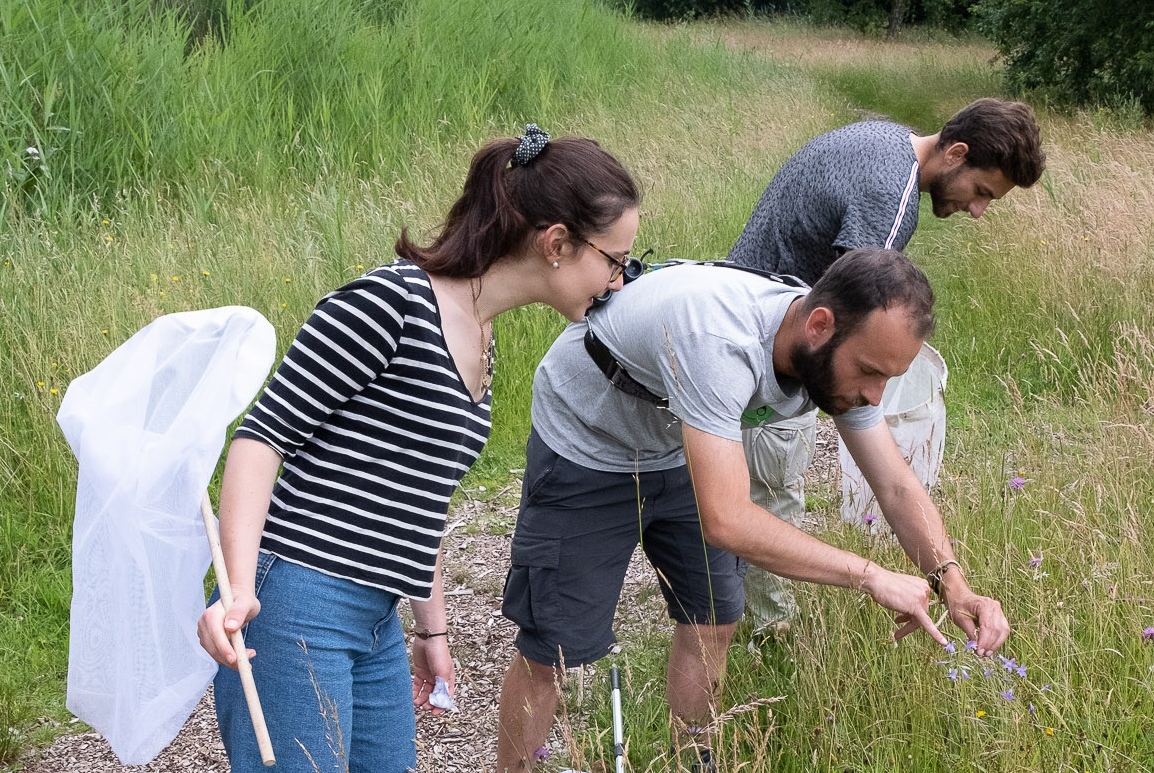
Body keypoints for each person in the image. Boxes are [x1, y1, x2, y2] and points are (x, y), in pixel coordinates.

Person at [196, 124, 641, 772]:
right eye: (614, 259)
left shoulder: (483, 337)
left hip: (374, 617)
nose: (620, 281)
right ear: (556, 243)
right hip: (296, 598)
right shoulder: (392, 303)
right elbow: (261, 435)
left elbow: (415, 492)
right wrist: (236, 590)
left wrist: (429, 625)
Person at [494, 248, 1009, 773]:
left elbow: (896, 486)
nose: (874, 395)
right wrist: (868, 574)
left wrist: (952, 581)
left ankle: (694, 762)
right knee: (553, 650)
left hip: (682, 439)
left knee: (713, 617)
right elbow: (728, 519)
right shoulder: (720, 339)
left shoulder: (838, 357)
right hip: (587, 445)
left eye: (887, 379)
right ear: (819, 325)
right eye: (870, 372)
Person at [729, 98, 1045, 637]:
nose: (977, 211)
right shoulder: (891, 197)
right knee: (767, 501)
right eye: (983, 192)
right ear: (957, 153)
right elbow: (862, 318)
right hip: (769, 366)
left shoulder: (883, 141)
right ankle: (766, 633)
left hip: (754, 326)